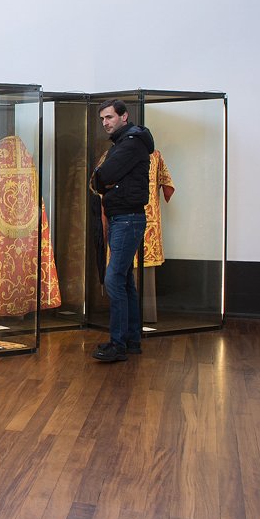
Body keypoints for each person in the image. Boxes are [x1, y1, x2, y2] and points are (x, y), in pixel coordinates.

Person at [89, 99, 155, 362]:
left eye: (109, 117)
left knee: (114, 279)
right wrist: (102, 178)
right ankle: (131, 340)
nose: (105, 123)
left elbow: (102, 176)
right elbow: (100, 179)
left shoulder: (131, 143)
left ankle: (117, 344)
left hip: (127, 219)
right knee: (125, 281)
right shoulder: (124, 142)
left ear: (124, 116)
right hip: (123, 218)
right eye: (102, 119)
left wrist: (102, 178)